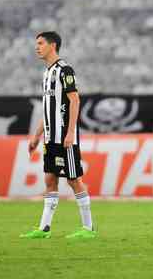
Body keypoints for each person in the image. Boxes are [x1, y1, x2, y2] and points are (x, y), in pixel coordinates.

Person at [20, 31, 96, 239]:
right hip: (50, 138)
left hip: (64, 136)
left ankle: (89, 229)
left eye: (41, 43)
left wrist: (70, 132)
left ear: (52, 45)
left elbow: (75, 100)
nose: (37, 47)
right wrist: (36, 136)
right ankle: (44, 228)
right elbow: (48, 109)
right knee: (49, 179)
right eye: (36, 43)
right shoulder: (46, 74)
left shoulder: (65, 70)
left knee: (73, 180)